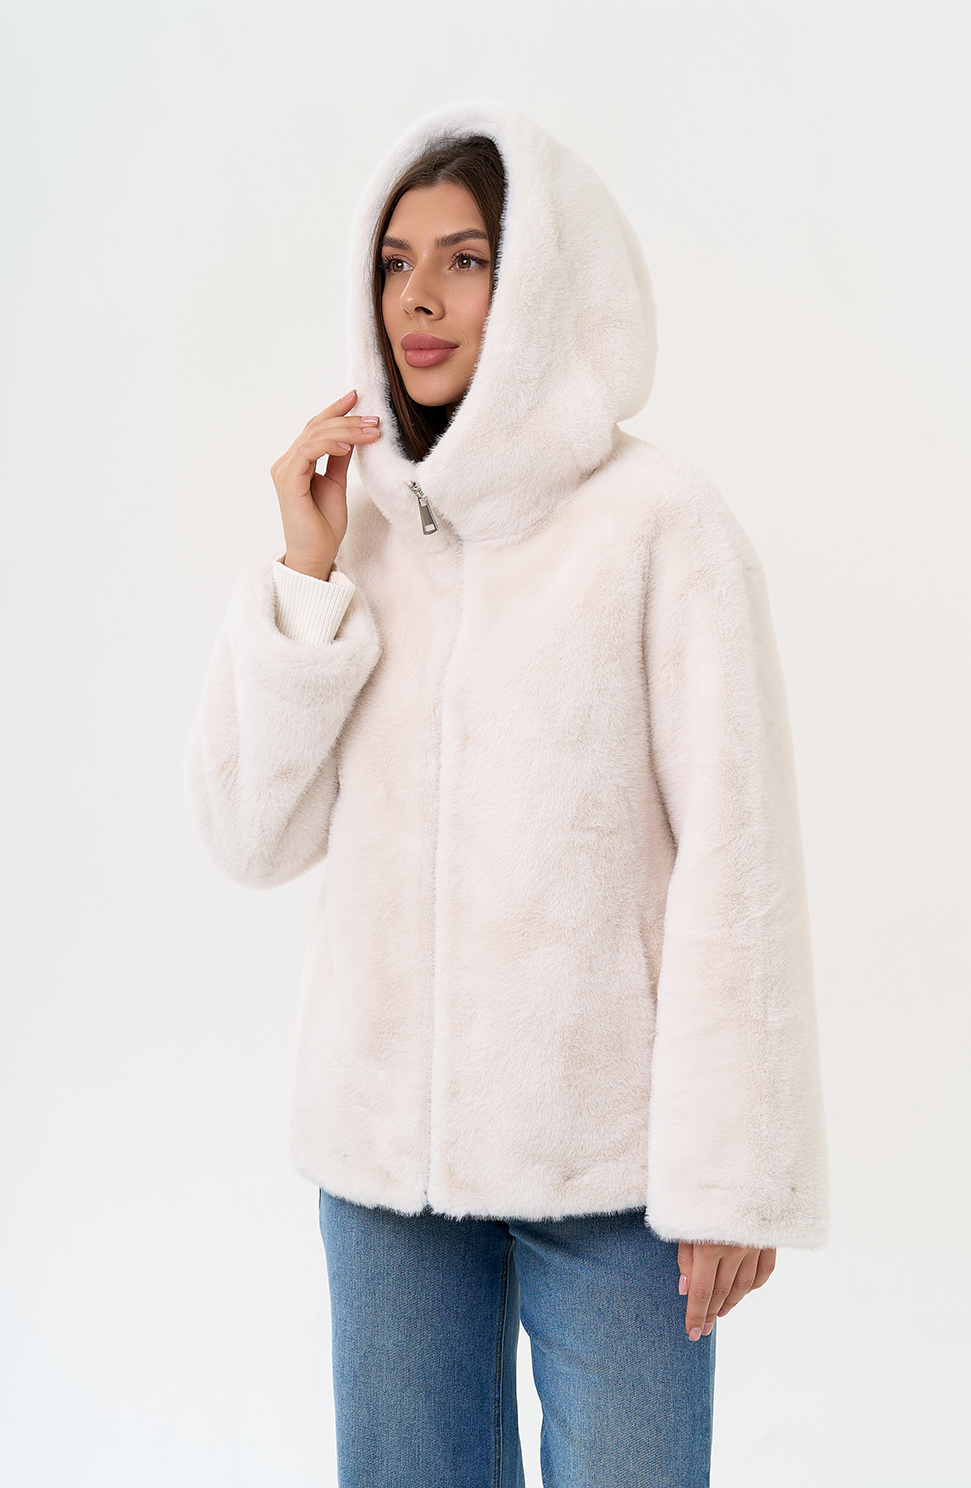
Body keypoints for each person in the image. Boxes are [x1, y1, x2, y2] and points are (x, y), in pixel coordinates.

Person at [186, 100, 829, 1488]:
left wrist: (734, 1170)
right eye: (394, 263)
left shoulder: (661, 524)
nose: (419, 299)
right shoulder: (361, 532)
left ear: (537, 281)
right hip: (386, 1178)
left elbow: (738, 854)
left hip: (617, 1179)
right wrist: (303, 576)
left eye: (465, 260)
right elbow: (251, 834)